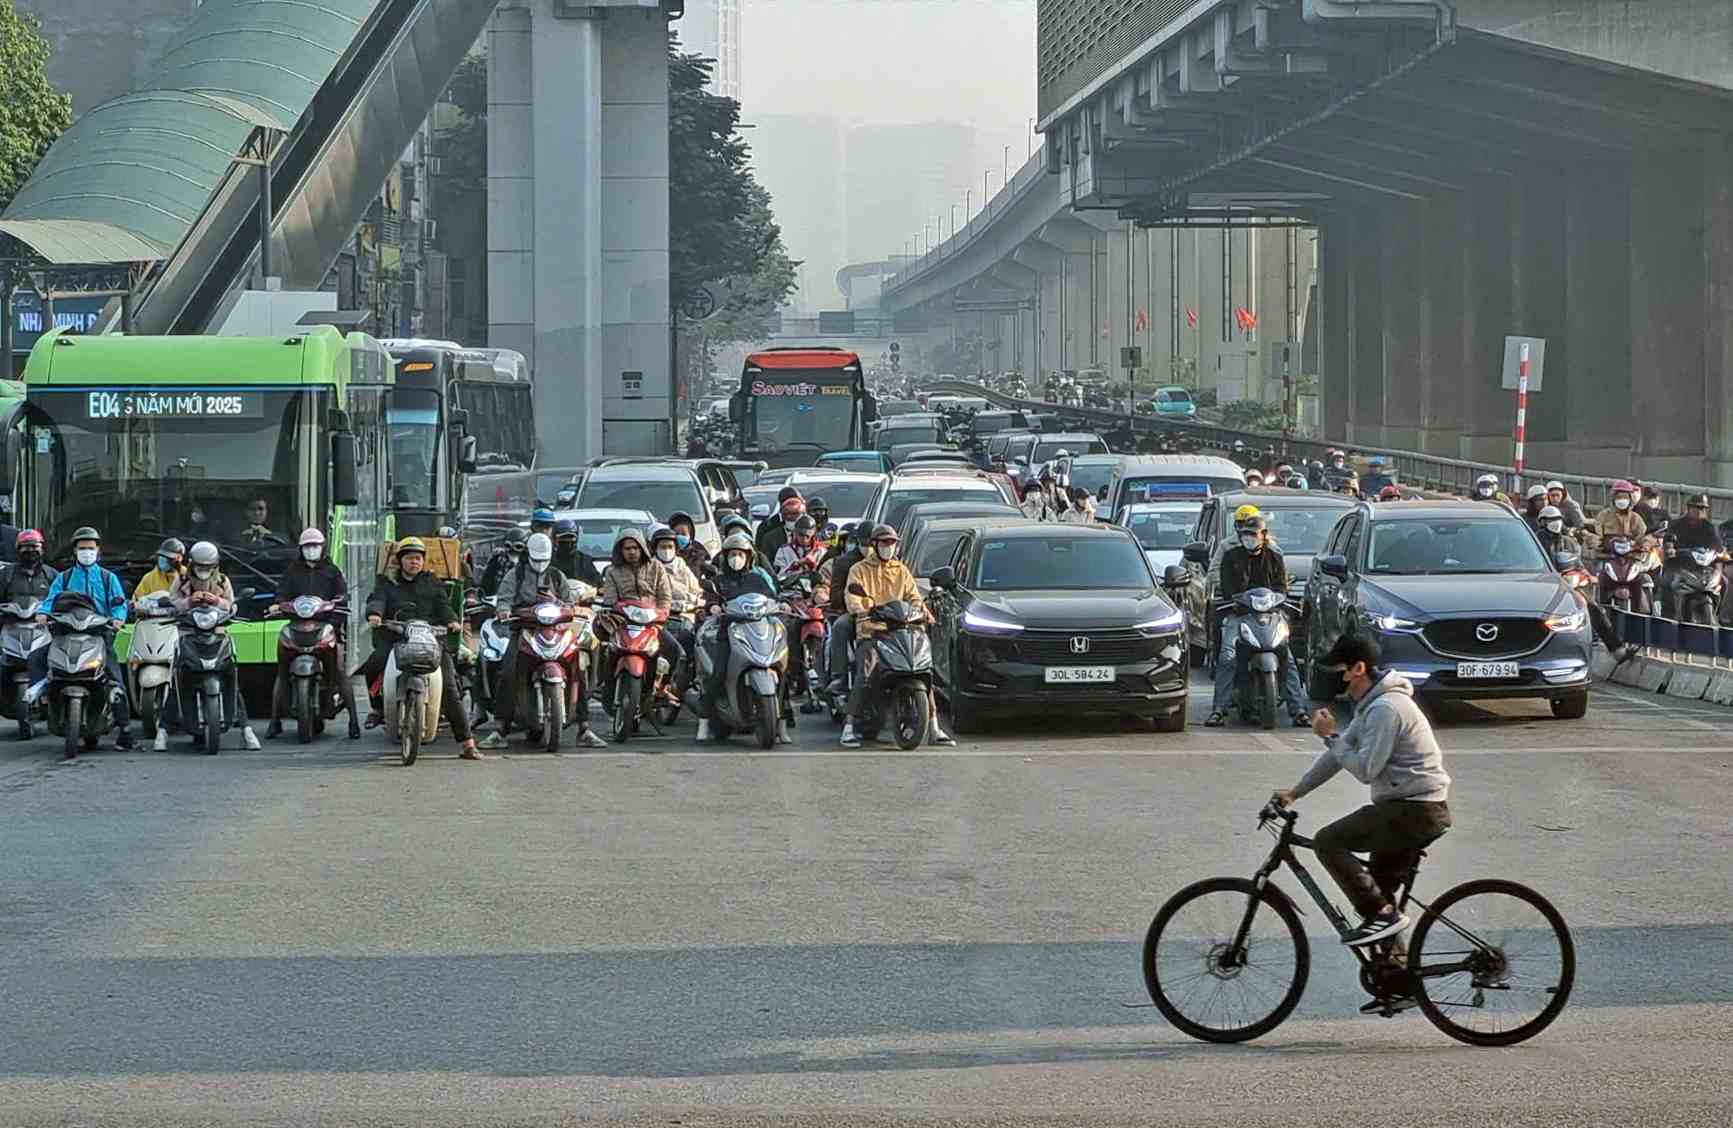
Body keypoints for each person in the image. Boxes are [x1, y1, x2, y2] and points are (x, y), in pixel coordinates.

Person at [1271, 634, 1452, 962]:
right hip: (1406, 808)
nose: (1336, 680)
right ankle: (1397, 974)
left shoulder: (1386, 709)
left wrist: (1331, 736)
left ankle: (1384, 916)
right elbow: (1336, 757)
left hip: (1415, 810)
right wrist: (1294, 793)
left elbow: (1366, 769)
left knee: (1328, 842)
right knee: (1375, 896)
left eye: (1340, 671)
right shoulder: (1372, 706)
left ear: (1359, 669)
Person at [360, 537, 481, 759]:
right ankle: (377, 708)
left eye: (417, 558)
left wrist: (452, 621)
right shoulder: (388, 583)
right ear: (400, 561)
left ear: (423, 561)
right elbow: (377, 600)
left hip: (430, 640)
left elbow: (444, 606)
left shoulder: (432, 583)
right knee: (374, 663)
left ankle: (468, 744)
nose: (414, 562)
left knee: (450, 687)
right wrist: (375, 614)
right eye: (409, 558)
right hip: (396, 638)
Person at [487, 532, 607, 750]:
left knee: (578, 669)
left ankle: (584, 728)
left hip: (556, 630)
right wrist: (504, 610)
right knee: (508, 671)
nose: (540, 564)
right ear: (528, 555)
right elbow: (504, 599)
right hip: (524, 630)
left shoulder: (557, 576)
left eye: (544, 560)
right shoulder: (516, 575)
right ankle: (500, 728)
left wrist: (556, 601)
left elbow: (569, 604)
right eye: (536, 559)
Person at [840, 525, 951, 748]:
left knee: (923, 669)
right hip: (873, 630)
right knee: (866, 670)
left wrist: (921, 610)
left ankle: (934, 727)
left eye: (892, 543)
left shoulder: (901, 570)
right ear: (874, 545)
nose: (889, 547)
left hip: (903, 630)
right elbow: (852, 599)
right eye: (884, 543)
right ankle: (849, 727)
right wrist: (863, 609)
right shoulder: (859, 570)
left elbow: (914, 596)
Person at [30, 527, 134, 749]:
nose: (87, 552)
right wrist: (42, 613)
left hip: (99, 635)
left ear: (98, 551)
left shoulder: (108, 578)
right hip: (66, 633)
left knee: (115, 677)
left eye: (90, 548)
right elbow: (50, 600)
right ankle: (40, 697)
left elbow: (119, 603)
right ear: (75, 551)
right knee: (37, 658)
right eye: (82, 548)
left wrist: (117, 619)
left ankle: (125, 730)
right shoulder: (64, 577)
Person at [1206, 515, 1309, 729]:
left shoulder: (1274, 556)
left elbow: (1281, 587)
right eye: (1245, 534)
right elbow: (1227, 588)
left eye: (1253, 534)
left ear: (1264, 535)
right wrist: (1239, 600)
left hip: (1271, 616)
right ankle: (1219, 709)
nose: (1249, 538)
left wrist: (1276, 599)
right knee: (1227, 656)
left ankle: (1298, 710)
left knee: (1288, 658)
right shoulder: (1231, 556)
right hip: (1239, 615)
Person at [266, 528, 361, 742]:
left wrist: (336, 610)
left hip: (327, 627)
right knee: (281, 671)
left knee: (340, 670)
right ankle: (274, 721)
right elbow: (281, 592)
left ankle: (354, 722)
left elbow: (342, 595)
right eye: (307, 546)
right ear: (301, 549)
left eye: (315, 546)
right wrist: (277, 604)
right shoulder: (292, 571)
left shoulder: (332, 571)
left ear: (322, 548)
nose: (311, 550)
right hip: (296, 627)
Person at [169, 541, 262, 751]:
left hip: (217, 635)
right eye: (199, 567)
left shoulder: (222, 581)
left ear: (215, 566)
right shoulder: (181, 580)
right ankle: (164, 730)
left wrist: (217, 601)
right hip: (188, 635)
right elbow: (172, 602)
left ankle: (246, 729)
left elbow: (231, 605)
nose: (203, 571)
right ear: (191, 564)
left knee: (231, 677)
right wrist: (189, 601)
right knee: (179, 678)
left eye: (208, 567)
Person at [695, 532, 785, 743]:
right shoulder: (719, 581)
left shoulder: (758, 578)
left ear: (749, 557)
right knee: (718, 674)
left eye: (741, 554)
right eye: (732, 554)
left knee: (782, 671)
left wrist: (782, 604)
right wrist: (713, 606)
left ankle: (781, 722)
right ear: (725, 557)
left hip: (759, 629)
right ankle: (704, 720)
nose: (736, 558)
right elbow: (709, 598)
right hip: (728, 631)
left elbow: (773, 597)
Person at [1534, 507, 1635, 661]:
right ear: (1542, 522)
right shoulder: (1536, 542)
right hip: (1542, 588)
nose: (1556, 523)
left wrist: (1587, 576)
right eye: (1551, 520)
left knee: (1594, 611)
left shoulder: (1567, 541)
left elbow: (1577, 564)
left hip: (1567, 587)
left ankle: (1617, 650)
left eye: (1558, 519)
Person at [597, 527, 681, 710]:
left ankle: (663, 688)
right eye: (627, 548)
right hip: (623, 624)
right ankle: (605, 688)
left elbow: (665, 597)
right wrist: (611, 612)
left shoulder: (656, 567)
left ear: (642, 547)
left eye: (635, 548)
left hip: (652, 623)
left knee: (675, 651)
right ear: (620, 550)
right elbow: (610, 600)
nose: (632, 552)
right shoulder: (612, 571)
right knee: (608, 651)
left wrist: (661, 616)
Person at [824, 524, 869, 700]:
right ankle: (839, 676)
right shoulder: (845, 563)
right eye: (866, 543)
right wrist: (856, 605)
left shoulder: (893, 563)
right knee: (840, 626)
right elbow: (836, 595)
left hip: (886, 613)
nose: (870, 548)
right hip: (855, 612)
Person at [1660, 494, 1724, 617]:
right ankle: (1667, 616)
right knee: (1667, 582)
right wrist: (1670, 549)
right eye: (1696, 507)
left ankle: (1721, 617)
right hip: (1678, 565)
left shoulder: (1709, 527)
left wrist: (1720, 553)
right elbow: (1668, 540)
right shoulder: (1676, 524)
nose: (1699, 511)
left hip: (1702, 569)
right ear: (1689, 508)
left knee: (1724, 582)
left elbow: (1717, 546)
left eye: (1702, 508)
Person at [3, 530, 57, 604]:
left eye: (34, 546)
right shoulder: (5, 574)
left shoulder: (51, 574)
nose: (31, 550)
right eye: (26, 546)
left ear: (42, 549)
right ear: (18, 549)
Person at [552, 518, 605, 588]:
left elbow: (599, 584)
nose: (568, 542)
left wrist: (589, 589)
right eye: (563, 539)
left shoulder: (584, 561)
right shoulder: (548, 561)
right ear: (555, 540)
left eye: (571, 537)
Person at [757, 488, 805, 563]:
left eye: (796, 513)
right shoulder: (768, 528)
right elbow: (763, 558)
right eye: (788, 513)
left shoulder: (809, 526)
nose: (791, 516)